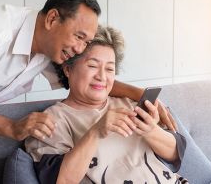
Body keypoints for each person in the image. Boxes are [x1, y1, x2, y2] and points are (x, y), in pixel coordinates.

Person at [0, 0, 176, 141]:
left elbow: (87, 79)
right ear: (52, 19)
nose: (80, 49)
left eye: (86, 41)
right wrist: (10, 126)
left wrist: (142, 95)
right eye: (79, 37)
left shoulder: (51, 49)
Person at [25, 26, 187, 183]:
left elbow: (174, 154)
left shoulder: (130, 103)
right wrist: (96, 132)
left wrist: (151, 131)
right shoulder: (51, 121)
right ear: (68, 69)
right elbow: (60, 180)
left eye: (110, 69)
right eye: (93, 66)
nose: (102, 76)